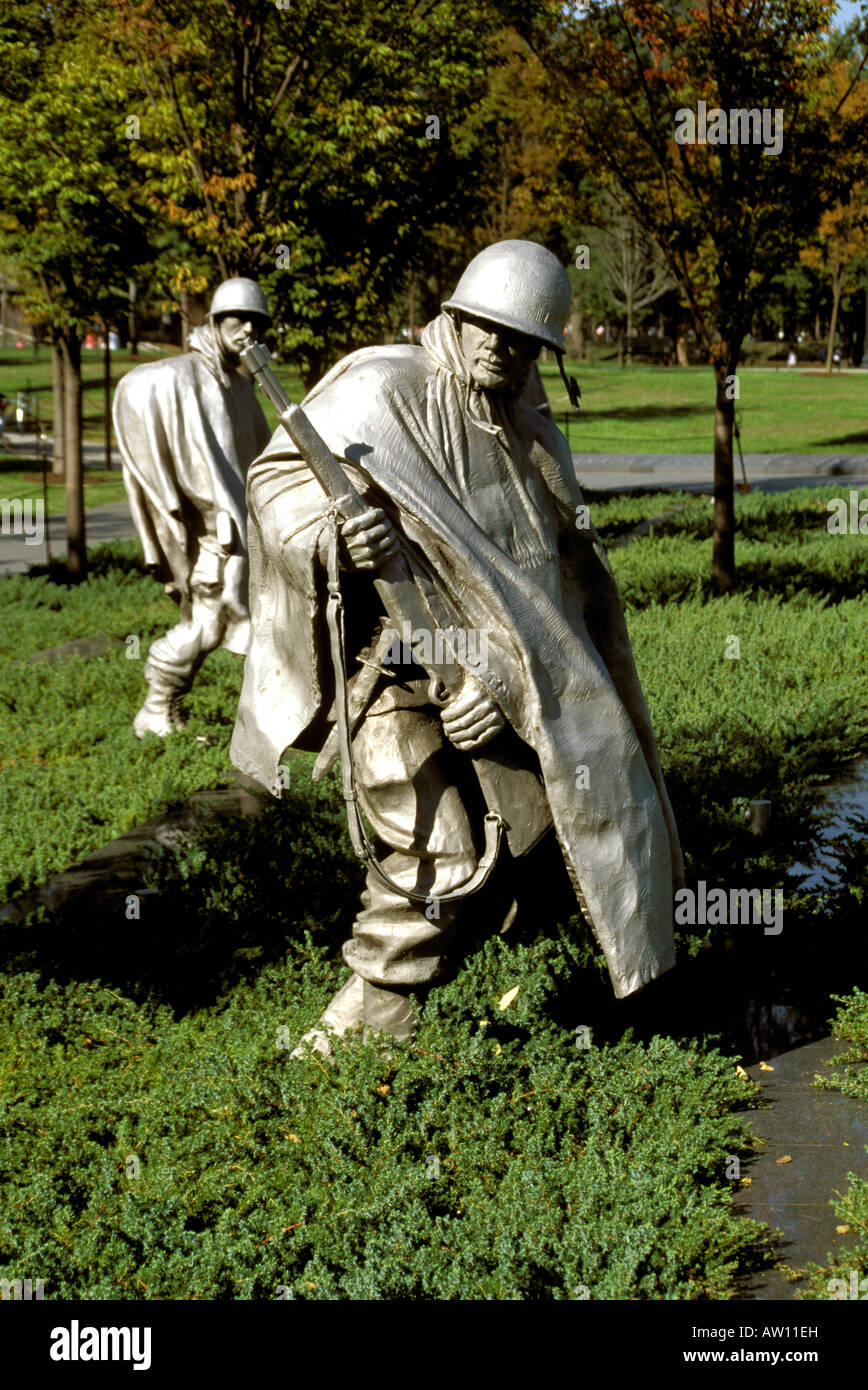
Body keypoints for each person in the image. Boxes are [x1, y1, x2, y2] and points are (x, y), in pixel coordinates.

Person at [231, 240, 683, 1055]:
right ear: (455, 311)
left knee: (541, 830)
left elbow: (551, 591)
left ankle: (565, 998)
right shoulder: (379, 388)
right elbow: (275, 492)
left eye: (523, 341)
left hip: (493, 683)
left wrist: (505, 682)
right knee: (429, 837)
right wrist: (338, 534)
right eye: (486, 327)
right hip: (396, 669)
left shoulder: (529, 431)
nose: (501, 349)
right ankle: (367, 1022)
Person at [113, 277, 272, 737]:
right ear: (218, 320)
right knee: (207, 623)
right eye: (237, 320)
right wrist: (218, 525)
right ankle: (157, 705)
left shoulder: (240, 384)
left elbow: (258, 454)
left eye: (255, 323)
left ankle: (166, 707)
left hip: (241, 528)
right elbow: (199, 467)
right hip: (215, 536)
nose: (247, 330)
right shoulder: (184, 377)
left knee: (215, 622)